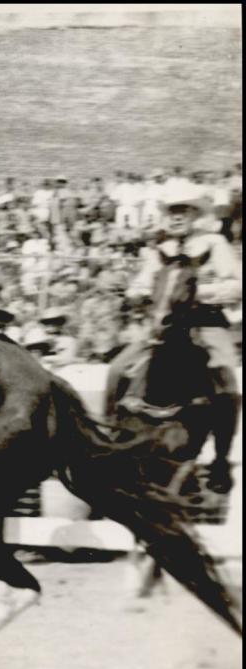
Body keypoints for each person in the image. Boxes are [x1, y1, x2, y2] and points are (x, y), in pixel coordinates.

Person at [119, 181, 242, 492]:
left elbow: (236, 284)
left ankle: (221, 459)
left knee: (226, 382)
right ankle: (108, 434)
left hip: (206, 323)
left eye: (183, 210)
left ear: (195, 213)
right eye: (172, 211)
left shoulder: (214, 244)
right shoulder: (161, 249)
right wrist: (137, 293)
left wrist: (198, 293)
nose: (176, 217)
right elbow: (141, 283)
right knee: (116, 369)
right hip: (162, 325)